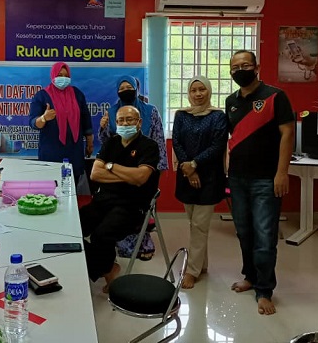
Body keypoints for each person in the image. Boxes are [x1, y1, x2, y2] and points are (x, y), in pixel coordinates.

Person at [225, 51, 294, 316]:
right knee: (244, 233)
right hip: (237, 178)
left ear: (256, 67)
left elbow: (288, 133)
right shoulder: (231, 101)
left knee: (265, 236)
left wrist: (282, 173)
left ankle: (264, 291)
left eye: (245, 65)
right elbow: (233, 137)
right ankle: (251, 277)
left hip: (266, 179)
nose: (240, 70)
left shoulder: (275, 96)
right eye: (235, 67)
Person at [81, 106, 160, 292]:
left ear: (139, 123)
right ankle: (108, 268)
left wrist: (110, 166)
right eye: (121, 120)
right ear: (115, 123)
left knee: (101, 235)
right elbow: (95, 174)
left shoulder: (149, 146)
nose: (125, 123)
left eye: (129, 120)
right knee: (72, 229)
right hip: (103, 200)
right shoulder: (111, 143)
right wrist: (128, 176)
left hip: (131, 206)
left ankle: (104, 270)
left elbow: (140, 178)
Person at [172, 76, 228, 289]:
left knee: (199, 225)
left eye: (201, 89)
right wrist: (188, 169)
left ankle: (192, 270)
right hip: (186, 176)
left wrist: (194, 164)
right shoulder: (181, 115)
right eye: (193, 90)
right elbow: (176, 141)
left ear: (209, 91)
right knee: (194, 224)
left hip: (210, 178)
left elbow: (217, 145)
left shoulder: (218, 116)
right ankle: (202, 264)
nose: (197, 94)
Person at [29, 61, 94, 181]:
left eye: (66, 75)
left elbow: (85, 118)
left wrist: (90, 142)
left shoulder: (77, 94)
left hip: (74, 151)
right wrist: (44, 118)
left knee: (73, 184)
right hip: (51, 151)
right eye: (59, 75)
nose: (63, 78)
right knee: (52, 187)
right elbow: (33, 123)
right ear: (53, 75)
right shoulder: (42, 96)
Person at [99, 75, 168, 171]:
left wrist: (160, 168)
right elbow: (105, 143)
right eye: (121, 88)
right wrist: (103, 128)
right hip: (118, 167)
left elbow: (159, 141)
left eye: (129, 87)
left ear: (136, 89)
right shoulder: (111, 112)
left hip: (146, 164)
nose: (125, 90)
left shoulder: (151, 111)